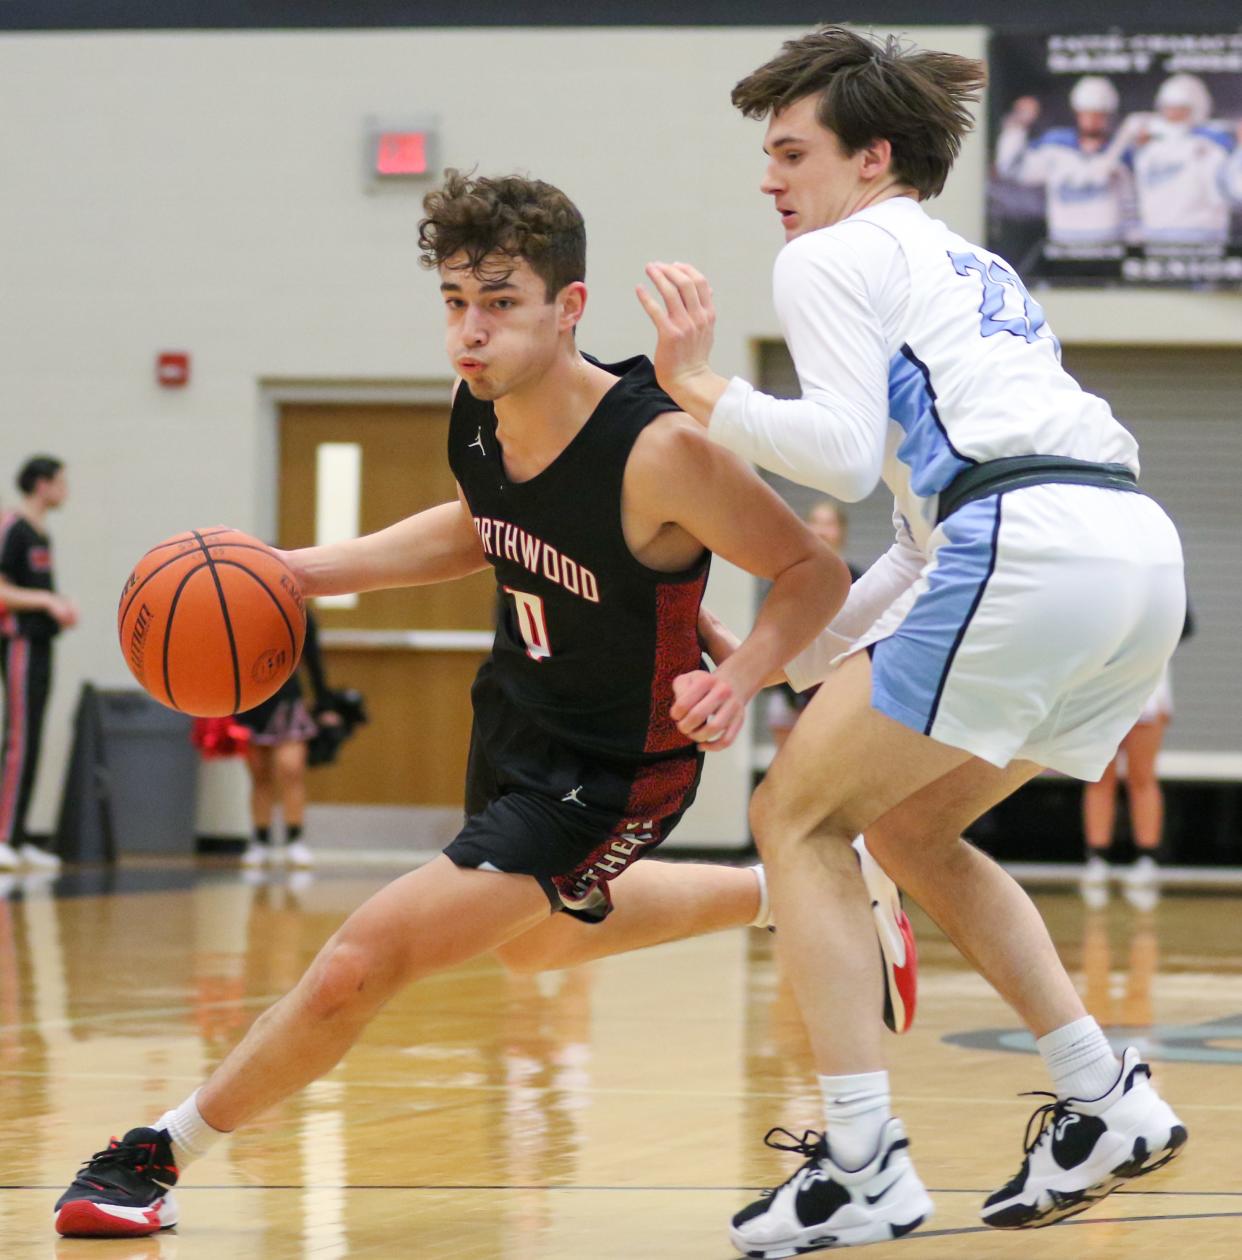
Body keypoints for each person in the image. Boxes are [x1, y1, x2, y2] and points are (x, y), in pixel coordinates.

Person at [53, 171, 917, 1240]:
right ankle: (792, 894)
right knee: (536, 947)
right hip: (514, 718)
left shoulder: (659, 451)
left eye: (500, 301)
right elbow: (479, 526)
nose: (471, 330)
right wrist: (296, 572)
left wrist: (738, 677)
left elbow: (809, 575)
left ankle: (153, 1154)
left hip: (614, 763)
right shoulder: (482, 412)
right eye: (456, 301)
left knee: (360, 964)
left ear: (570, 308)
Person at [636, 26, 1188, 1254]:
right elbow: (927, 548)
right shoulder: (965, 263)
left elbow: (833, 453)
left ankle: (861, 1161)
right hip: (1129, 555)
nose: (770, 180)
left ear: (870, 156)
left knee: (792, 818)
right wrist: (771, 656)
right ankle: (1103, 1099)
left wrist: (699, 386)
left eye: (791, 152)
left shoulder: (833, 255)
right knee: (908, 826)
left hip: (1029, 547)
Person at [1081, 604, 1193, 909]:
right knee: (1097, 775)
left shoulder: (1164, 572)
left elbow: (1185, 624)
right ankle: (1097, 859)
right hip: (1102, 682)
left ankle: (1147, 859)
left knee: (1141, 776)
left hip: (1149, 683)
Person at [0, 457, 78, 873]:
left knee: (34, 738)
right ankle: (3, 836)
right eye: (61, 482)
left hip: (43, 643)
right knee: (20, 737)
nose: (66, 490)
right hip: (20, 643)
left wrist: (60, 604)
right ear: (41, 484)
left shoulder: (40, 533)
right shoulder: (13, 527)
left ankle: (20, 834)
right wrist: (47, 601)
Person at [236, 610, 338, 869]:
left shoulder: (299, 614)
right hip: (250, 702)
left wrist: (324, 702)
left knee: (290, 770)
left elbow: (313, 658)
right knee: (259, 775)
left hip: (287, 700)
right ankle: (260, 840)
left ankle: (294, 840)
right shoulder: (240, 612)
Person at [995, 75, 1134, 248]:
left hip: (1110, 246)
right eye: (1087, 112)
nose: (1092, 119)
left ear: (1110, 115)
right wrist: (1017, 126)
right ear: (1077, 112)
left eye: (1099, 114)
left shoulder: (1123, 151)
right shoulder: (1055, 147)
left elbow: (1134, 208)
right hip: (1063, 248)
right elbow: (1011, 169)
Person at [766, 499, 860, 748]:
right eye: (815, 523)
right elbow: (770, 636)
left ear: (841, 531)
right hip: (788, 692)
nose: (821, 530)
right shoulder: (786, 579)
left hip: (837, 697)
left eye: (828, 524)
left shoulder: (860, 582)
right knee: (784, 772)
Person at [1120, 74, 1242, 247]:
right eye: (1168, 108)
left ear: (1197, 109)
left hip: (1203, 238)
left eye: (1180, 109)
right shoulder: (1145, 146)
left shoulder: (1213, 145)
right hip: (1154, 238)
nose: (1172, 115)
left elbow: (1231, 193)